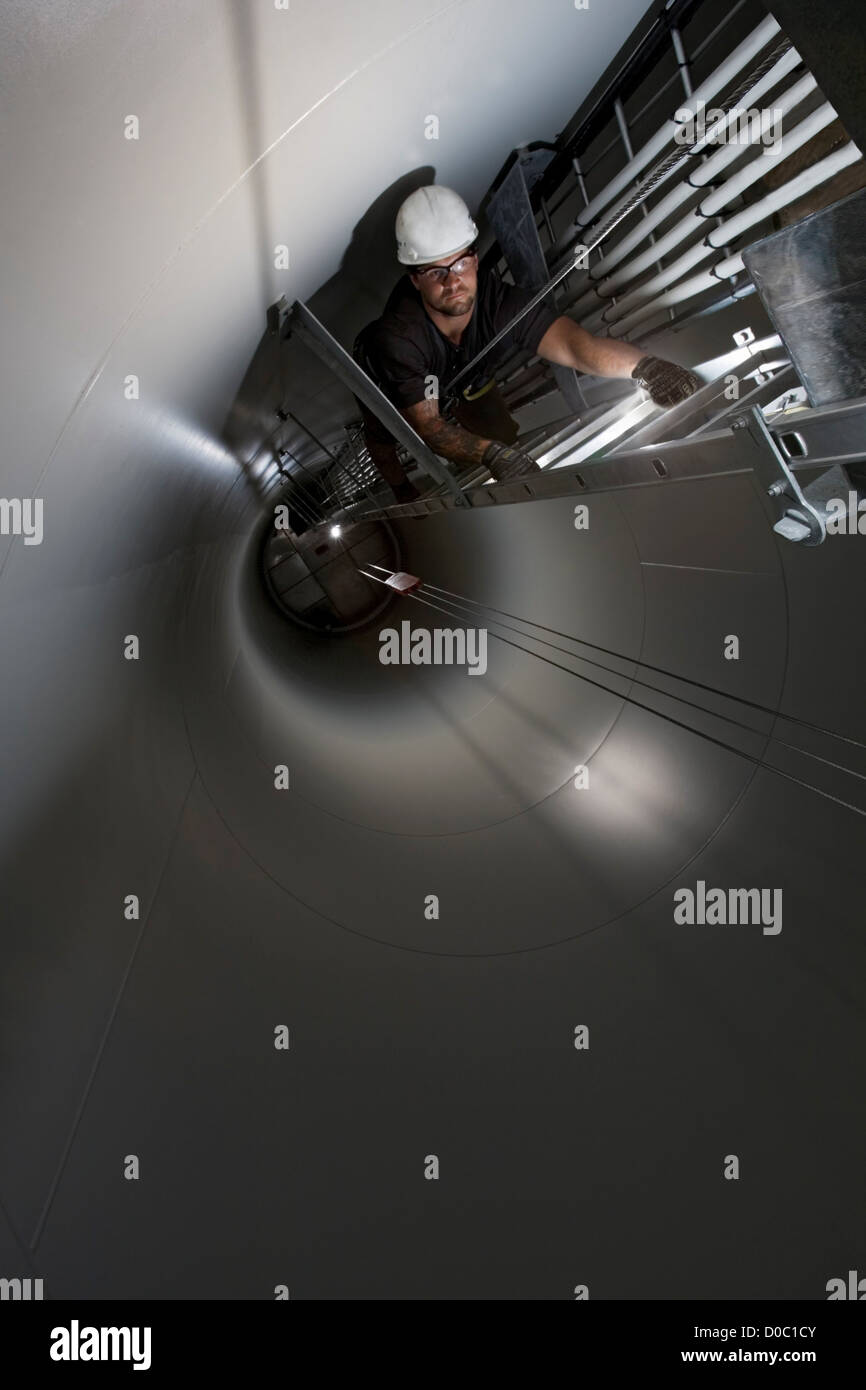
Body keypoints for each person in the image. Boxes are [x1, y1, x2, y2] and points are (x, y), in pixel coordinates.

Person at [352, 185, 701, 500]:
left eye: (460, 263)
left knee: (500, 432)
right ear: (415, 280)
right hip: (390, 386)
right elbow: (428, 426)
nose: (452, 281)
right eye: (435, 272)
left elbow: (573, 345)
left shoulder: (501, 304)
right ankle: (402, 491)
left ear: (474, 258)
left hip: (463, 375)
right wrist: (489, 455)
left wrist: (645, 367)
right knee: (384, 442)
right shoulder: (398, 339)